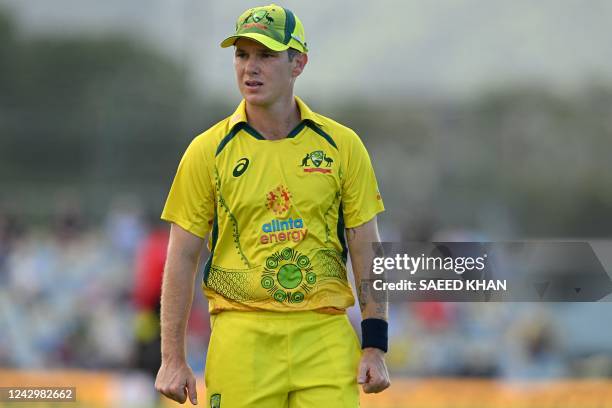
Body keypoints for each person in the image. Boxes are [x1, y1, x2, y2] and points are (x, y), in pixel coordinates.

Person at [155, 4, 390, 407]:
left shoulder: (342, 146)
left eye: (266, 55)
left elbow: (366, 245)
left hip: (324, 334)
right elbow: (181, 257)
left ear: (298, 63)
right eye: (242, 54)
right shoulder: (207, 151)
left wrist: (376, 345)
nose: (251, 67)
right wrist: (172, 358)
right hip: (242, 336)